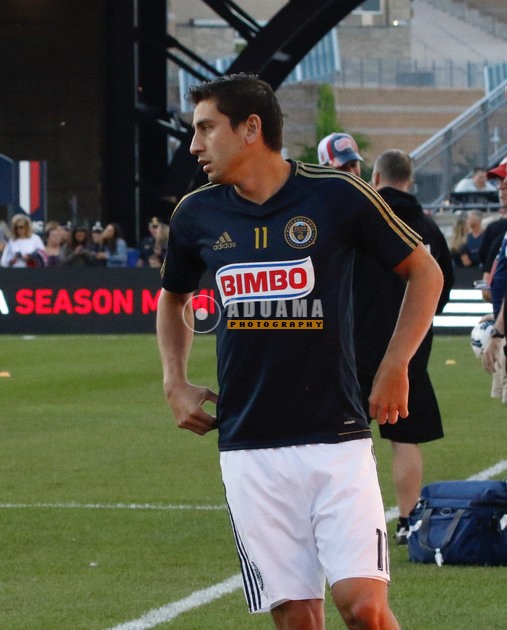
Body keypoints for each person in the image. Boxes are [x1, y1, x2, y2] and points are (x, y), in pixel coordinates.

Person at [157, 73, 443, 630]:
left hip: (337, 438)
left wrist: (396, 364)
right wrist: (175, 380)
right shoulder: (196, 213)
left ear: (251, 129)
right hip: (249, 448)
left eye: (206, 128)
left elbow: (424, 272)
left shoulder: (336, 194)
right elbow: (173, 299)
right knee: (297, 617)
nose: (194, 145)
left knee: (364, 608)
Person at [353, 149, 454, 545]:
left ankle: (351, 522)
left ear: (376, 177)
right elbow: (440, 291)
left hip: (358, 345)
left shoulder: (360, 220)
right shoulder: (427, 227)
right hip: (411, 351)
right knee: (405, 437)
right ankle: (408, 519)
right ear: (409, 181)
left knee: (347, 439)